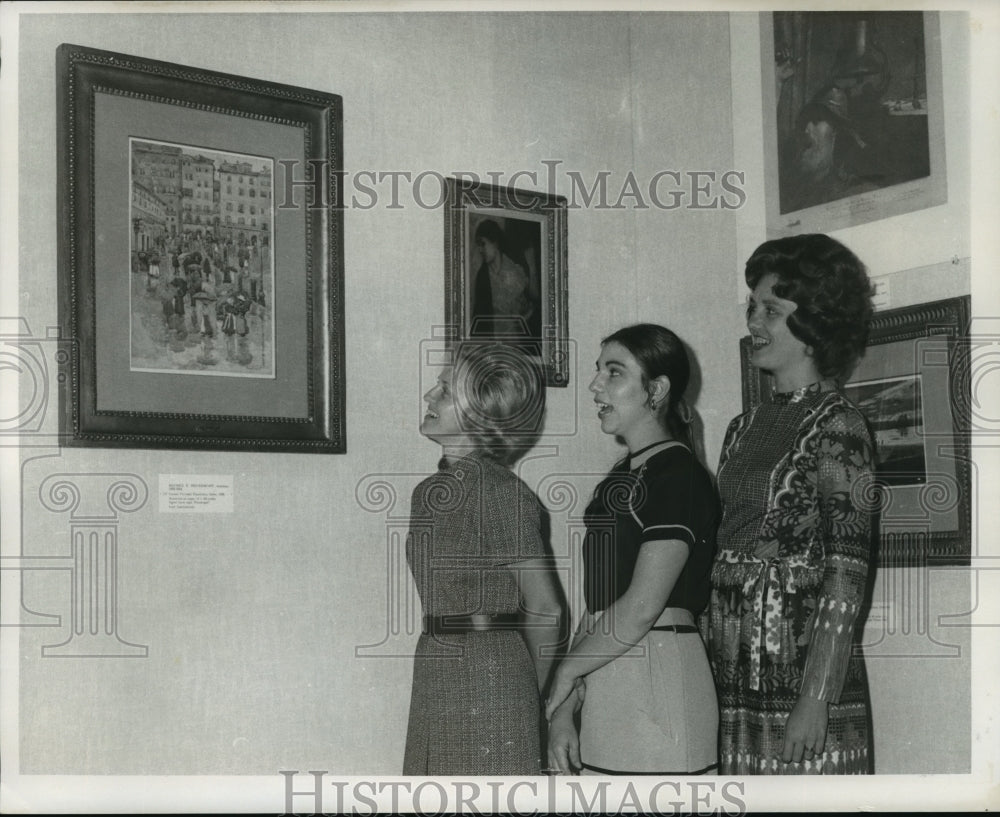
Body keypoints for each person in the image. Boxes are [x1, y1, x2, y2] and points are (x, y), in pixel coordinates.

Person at [706, 233, 877, 775]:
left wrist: (817, 697)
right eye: (752, 307)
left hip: (802, 667)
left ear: (813, 328)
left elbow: (847, 573)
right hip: (734, 663)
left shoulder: (841, 425)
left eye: (771, 310)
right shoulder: (742, 427)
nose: (754, 321)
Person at [545, 324, 719, 775]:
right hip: (607, 672)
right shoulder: (622, 477)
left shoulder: (676, 474)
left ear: (655, 390)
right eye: (599, 371)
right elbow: (600, 605)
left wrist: (566, 673)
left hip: (656, 675)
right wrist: (564, 707)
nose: (595, 385)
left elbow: (641, 606)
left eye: (614, 372)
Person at [403, 343, 565, 775]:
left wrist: (531, 691)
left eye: (444, 390)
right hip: (437, 666)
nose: (429, 398)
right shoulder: (429, 492)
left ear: (482, 410)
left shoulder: (497, 491)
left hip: (490, 676)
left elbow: (546, 607)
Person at [470, 219, 541, 341]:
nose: (480, 250)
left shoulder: (515, 267)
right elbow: (479, 318)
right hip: (496, 342)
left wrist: (532, 266)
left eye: (483, 244)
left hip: (522, 338)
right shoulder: (483, 276)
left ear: (495, 242)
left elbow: (534, 297)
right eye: (478, 245)